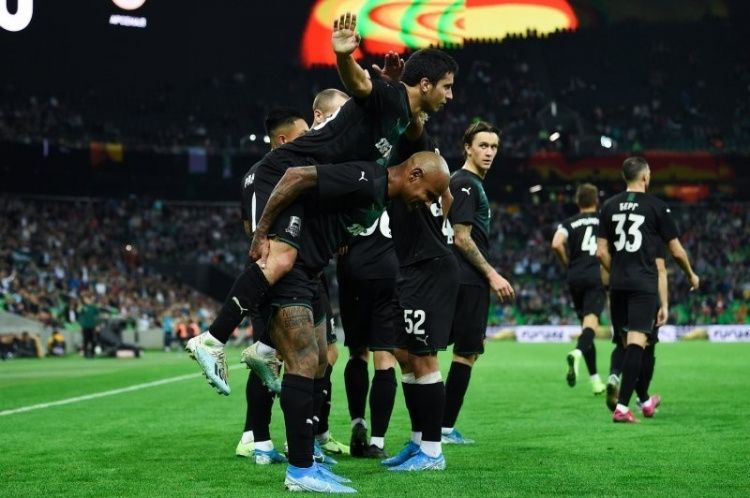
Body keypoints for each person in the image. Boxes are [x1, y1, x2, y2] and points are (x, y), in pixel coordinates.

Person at [185, 12, 457, 397]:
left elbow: (415, 128)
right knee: (280, 259)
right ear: (425, 84)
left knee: (306, 267)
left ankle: (264, 349)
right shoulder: (389, 98)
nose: (451, 96)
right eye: (447, 87)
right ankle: (212, 339)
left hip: (310, 185)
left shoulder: (401, 114)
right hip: (287, 172)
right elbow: (360, 83)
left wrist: (399, 85)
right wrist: (344, 55)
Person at [251, 151, 450, 492]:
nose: (428, 200)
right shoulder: (376, 178)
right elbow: (298, 178)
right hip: (367, 273)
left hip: (342, 273)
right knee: (363, 357)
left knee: (338, 356)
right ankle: (353, 446)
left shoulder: (366, 177)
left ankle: (310, 456)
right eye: (429, 194)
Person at [596, 156, 700, 423]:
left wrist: (618, 269)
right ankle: (622, 408)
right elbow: (676, 251)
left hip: (618, 284)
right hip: (643, 284)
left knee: (625, 343)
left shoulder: (608, 206)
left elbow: (600, 252)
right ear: (645, 177)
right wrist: (691, 274)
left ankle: (640, 398)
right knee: (638, 344)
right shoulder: (656, 207)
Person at [235, 107, 309, 465]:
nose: (309, 141)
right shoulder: (280, 170)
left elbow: (246, 224)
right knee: (271, 355)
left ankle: (255, 434)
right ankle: (257, 436)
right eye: (302, 135)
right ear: (282, 140)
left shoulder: (251, 174)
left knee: (267, 353)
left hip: (259, 267)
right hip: (273, 269)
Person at [440, 122, 514, 445]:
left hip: (460, 277)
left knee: (461, 352)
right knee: (466, 352)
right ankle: (442, 428)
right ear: (467, 148)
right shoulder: (466, 184)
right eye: (483, 145)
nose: (489, 152)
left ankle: (438, 427)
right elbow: (461, 237)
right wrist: (491, 274)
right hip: (467, 278)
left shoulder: (464, 182)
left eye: (494, 147)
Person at [337, 209, 398, 459]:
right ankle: (377, 443)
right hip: (388, 273)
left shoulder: (349, 190)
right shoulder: (400, 192)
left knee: (357, 353)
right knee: (385, 357)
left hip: (353, 271)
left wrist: (340, 237)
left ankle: (358, 423)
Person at [551, 183, 607, 395]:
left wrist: (567, 264)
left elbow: (556, 243)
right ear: (596, 201)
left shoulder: (569, 222)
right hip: (595, 275)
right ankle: (577, 352)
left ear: (577, 201)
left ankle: (595, 381)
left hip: (575, 277)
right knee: (591, 325)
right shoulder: (604, 220)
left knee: (586, 328)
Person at [78, 293, 100, 358]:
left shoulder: (94, 307)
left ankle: (92, 353)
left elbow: (97, 317)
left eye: (87, 299)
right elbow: (80, 316)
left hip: (92, 325)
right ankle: (85, 353)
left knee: (93, 340)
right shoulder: (83, 307)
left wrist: (97, 325)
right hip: (85, 326)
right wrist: (81, 326)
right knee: (85, 340)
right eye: (85, 299)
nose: (86, 300)